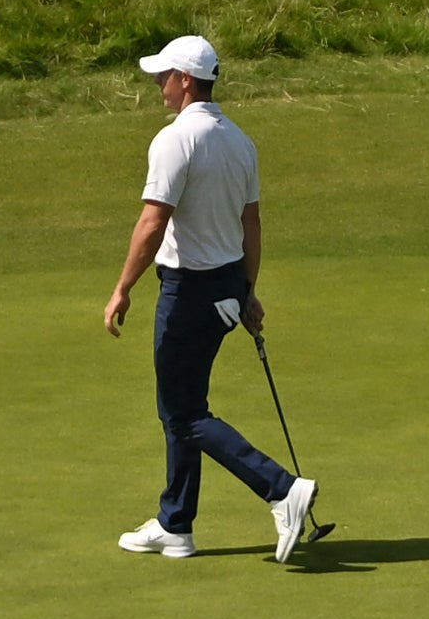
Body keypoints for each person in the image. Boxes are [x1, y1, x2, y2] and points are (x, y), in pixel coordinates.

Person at [92, 34, 314, 565]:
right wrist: (247, 290)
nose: (158, 85)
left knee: (184, 412)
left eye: (164, 76)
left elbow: (153, 221)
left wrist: (122, 287)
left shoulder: (175, 140)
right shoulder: (239, 140)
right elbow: (251, 223)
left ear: (186, 80)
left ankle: (282, 489)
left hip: (188, 292)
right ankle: (176, 524)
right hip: (225, 290)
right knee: (182, 408)